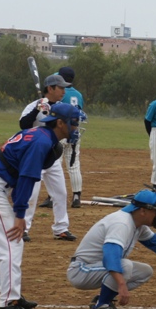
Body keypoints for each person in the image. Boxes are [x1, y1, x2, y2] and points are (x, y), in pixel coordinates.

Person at [0, 103, 81, 309]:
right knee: (12, 244)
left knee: (6, 245)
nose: (76, 127)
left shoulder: (39, 134)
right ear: (60, 123)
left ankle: (12, 295)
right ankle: (8, 302)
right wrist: (20, 216)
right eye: (74, 123)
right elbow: (27, 180)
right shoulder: (41, 142)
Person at [20, 74, 76, 242]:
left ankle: (61, 229)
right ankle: (22, 228)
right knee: (31, 194)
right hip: (34, 156)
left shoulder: (62, 107)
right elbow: (23, 126)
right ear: (50, 89)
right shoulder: (34, 105)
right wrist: (38, 109)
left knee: (60, 193)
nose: (64, 91)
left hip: (52, 156)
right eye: (61, 88)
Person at [59, 66, 86, 208]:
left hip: (60, 132)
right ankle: (76, 197)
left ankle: (53, 198)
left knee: (55, 165)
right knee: (74, 165)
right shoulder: (78, 95)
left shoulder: (59, 92)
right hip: (75, 131)